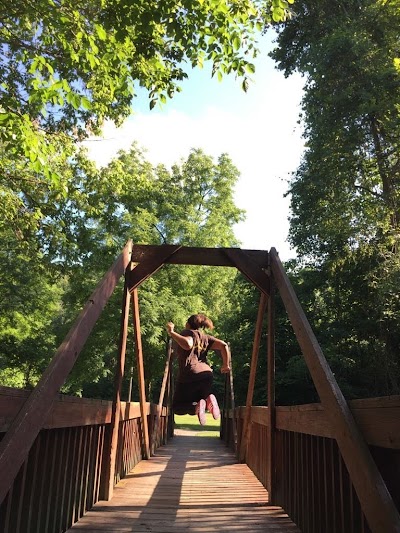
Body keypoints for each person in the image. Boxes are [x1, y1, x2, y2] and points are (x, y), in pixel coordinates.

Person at [166, 313, 231, 426]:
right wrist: (225, 365)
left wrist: (172, 332)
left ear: (188, 323)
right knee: (200, 400)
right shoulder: (205, 337)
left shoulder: (188, 333)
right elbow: (223, 345)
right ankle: (208, 399)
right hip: (206, 376)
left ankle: (198, 406)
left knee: (177, 408)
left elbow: (187, 344)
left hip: (189, 375)